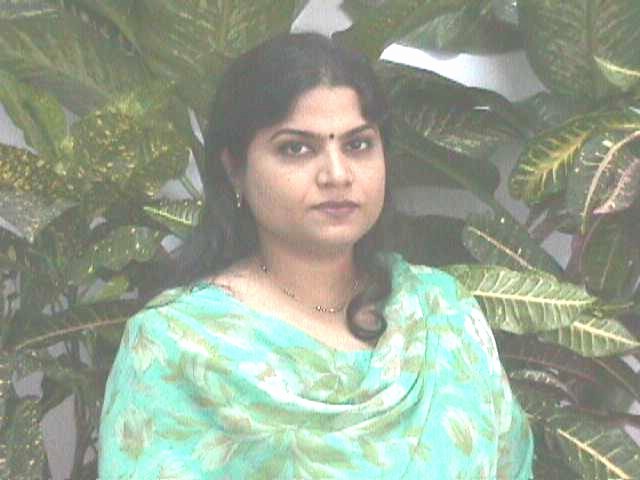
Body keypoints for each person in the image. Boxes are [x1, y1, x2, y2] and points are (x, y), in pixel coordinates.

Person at [98, 32, 534, 479]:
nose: (337, 174)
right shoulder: (176, 346)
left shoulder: (445, 314)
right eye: (296, 148)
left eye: (358, 145)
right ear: (234, 170)